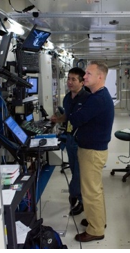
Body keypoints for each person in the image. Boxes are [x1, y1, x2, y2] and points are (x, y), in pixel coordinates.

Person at [69, 61, 115, 242]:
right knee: (95, 189)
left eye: (88, 74)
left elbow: (76, 118)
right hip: (94, 149)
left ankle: (95, 230)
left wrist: (76, 109)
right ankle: (97, 220)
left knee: (90, 191)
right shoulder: (97, 96)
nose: (84, 76)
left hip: (92, 152)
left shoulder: (97, 99)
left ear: (100, 77)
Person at [50, 67, 90, 216]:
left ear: (81, 82)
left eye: (74, 79)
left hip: (82, 140)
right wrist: (57, 119)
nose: (70, 82)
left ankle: (79, 198)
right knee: (74, 170)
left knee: (79, 173)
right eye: (69, 79)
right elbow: (67, 117)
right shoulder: (67, 98)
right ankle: (76, 194)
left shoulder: (87, 98)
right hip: (70, 139)